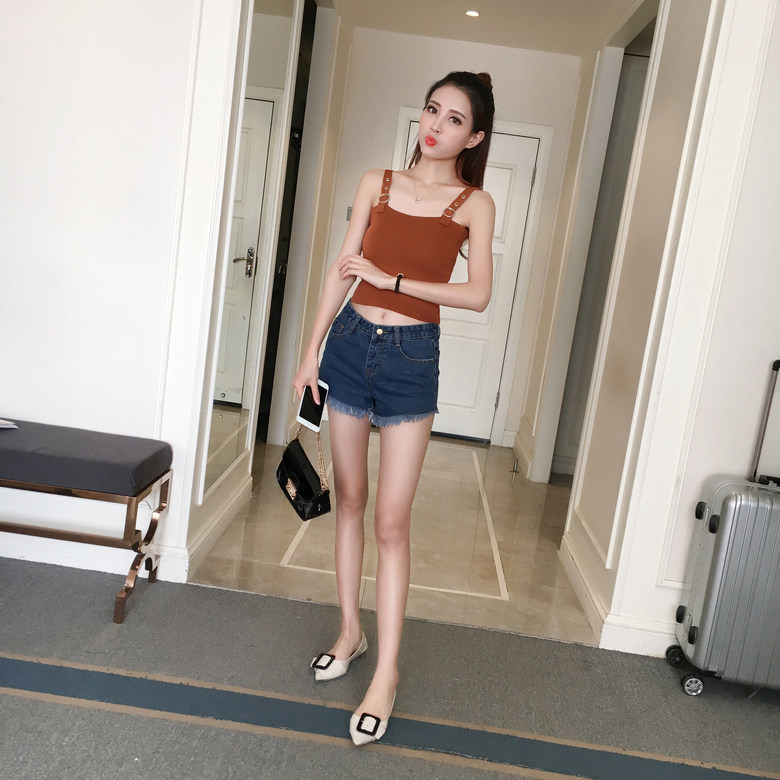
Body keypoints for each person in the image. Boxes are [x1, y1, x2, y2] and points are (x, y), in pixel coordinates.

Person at [292, 71, 496, 746]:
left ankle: (387, 673)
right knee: (349, 500)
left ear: (475, 137)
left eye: (454, 119)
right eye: (433, 110)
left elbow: (477, 295)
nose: (436, 125)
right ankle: (349, 632)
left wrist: (394, 280)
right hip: (349, 345)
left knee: (390, 521)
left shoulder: (474, 204)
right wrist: (311, 350)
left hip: (411, 360)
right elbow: (342, 268)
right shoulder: (375, 183)